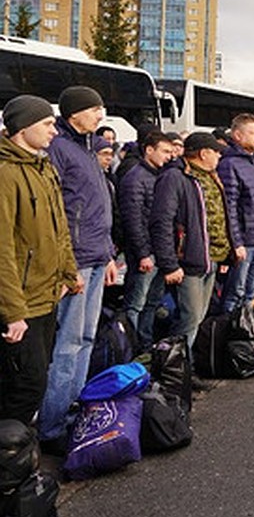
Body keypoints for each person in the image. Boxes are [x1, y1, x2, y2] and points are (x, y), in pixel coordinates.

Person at [40, 86, 119, 452]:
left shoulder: (86, 147)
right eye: (95, 109)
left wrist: (106, 257)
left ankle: (73, 412)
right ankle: (52, 426)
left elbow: (97, 210)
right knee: (68, 345)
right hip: (74, 262)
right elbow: (56, 212)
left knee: (85, 340)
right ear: (74, 113)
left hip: (94, 258)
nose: (101, 116)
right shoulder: (59, 149)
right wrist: (65, 266)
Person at [0, 96, 77, 427]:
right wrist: (12, 311)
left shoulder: (43, 167)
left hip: (47, 296)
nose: (54, 131)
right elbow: (2, 248)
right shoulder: (5, 173)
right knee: (24, 386)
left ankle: (18, 460)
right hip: (22, 305)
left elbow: (59, 230)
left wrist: (68, 273)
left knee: (36, 378)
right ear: (23, 127)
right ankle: (9, 463)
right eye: (47, 124)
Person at [149, 132, 230, 348]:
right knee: (189, 318)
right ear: (203, 153)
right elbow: (162, 222)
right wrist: (169, 264)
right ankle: (175, 367)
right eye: (216, 152)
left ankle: (185, 366)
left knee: (198, 316)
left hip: (210, 258)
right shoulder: (175, 177)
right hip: (188, 261)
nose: (219, 157)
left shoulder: (211, 177)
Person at [120, 129, 178, 350]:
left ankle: (145, 345)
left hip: (160, 251)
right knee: (136, 304)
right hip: (146, 254)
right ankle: (131, 348)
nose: (169, 156)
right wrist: (143, 253)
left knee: (152, 302)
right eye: (164, 151)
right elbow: (133, 221)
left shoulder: (160, 176)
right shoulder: (135, 179)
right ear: (149, 150)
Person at [217, 114, 254, 314]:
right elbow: (230, 206)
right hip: (244, 240)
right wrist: (237, 243)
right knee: (236, 291)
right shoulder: (230, 164)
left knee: (252, 290)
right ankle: (228, 334)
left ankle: (247, 331)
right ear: (237, 135)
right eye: (252, 133)